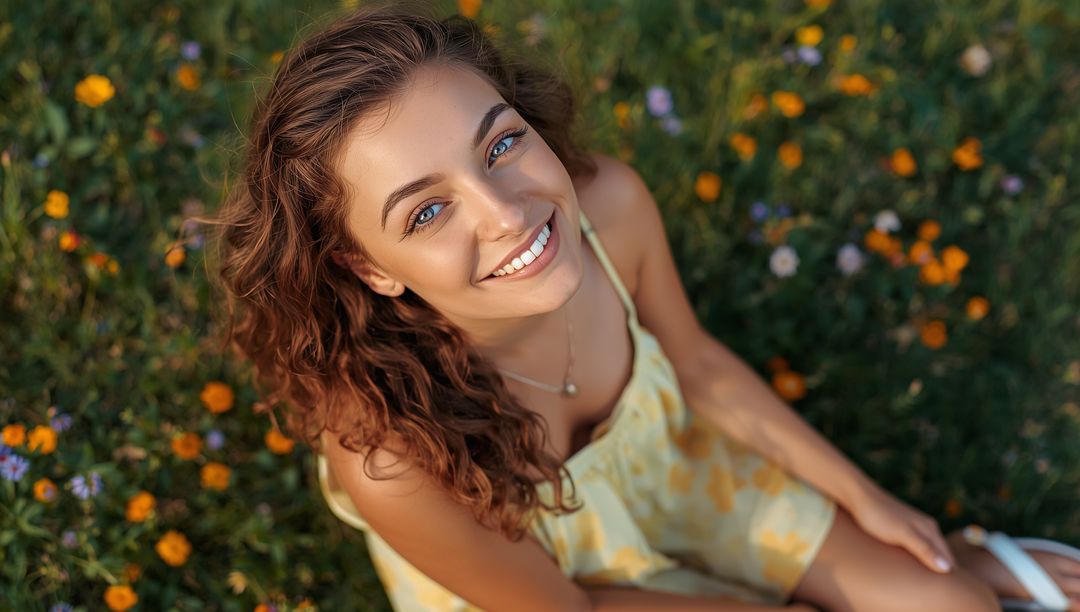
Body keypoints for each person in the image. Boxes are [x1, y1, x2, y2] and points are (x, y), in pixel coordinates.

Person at [204, 3, 1080, 611]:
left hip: (681, 469)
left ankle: (962, 564)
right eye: (428, 211)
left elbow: (695, 363)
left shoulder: (611, 208)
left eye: (502, 143)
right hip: (556, 583)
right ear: (367, 265)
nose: (508, 213)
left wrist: (868, 499)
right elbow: (569, 608)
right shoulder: (392, 456)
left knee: (949, 603)